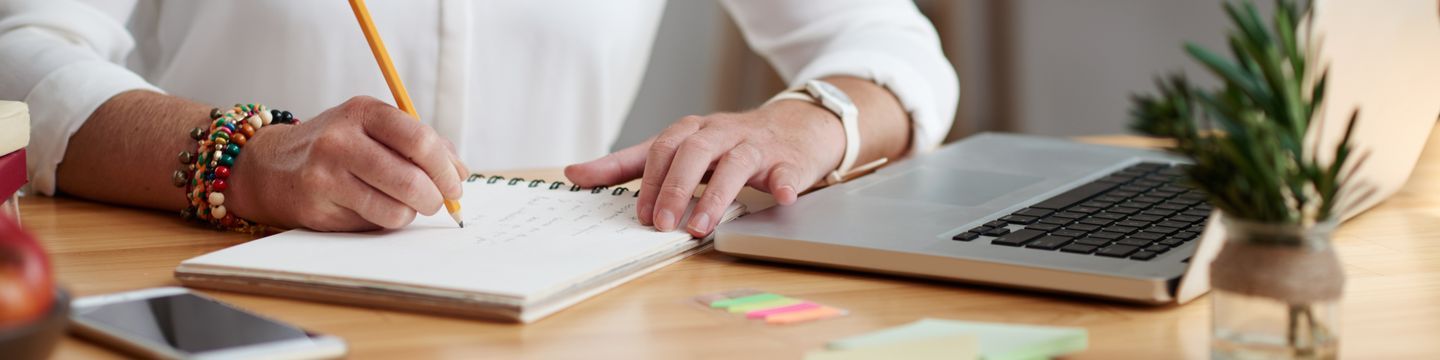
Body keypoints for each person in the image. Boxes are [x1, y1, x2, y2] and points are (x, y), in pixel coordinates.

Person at [0, 0, 957, 237]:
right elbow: (18, 50)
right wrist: (241, 155)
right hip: (217, 286)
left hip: (556, 309)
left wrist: (808, 123)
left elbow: (892, 48)